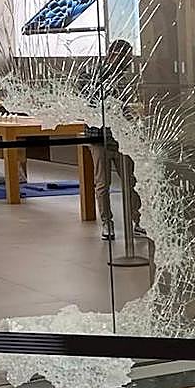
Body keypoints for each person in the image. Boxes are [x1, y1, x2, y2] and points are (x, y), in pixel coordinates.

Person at [85, 38, 142, 241]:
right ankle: (107, 222)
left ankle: (137, 220)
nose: (128, 61)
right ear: (114, 55)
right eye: (126, 57)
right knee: (103, 183)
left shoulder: (125, 78)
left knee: (130, 181)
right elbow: (87, 101)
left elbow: (126, 106)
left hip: (120, 138)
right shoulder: (93, 73)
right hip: (99, 137)